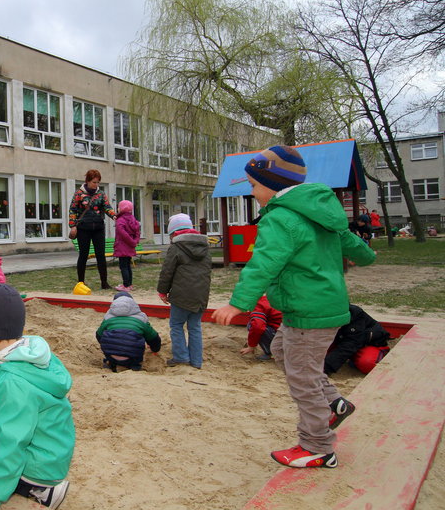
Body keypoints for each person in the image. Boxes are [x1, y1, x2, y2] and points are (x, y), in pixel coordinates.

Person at [211, 145, 376, 469]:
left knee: (301, 377)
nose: (253, 193)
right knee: (284, 349)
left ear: (273, 185)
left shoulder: (281, 218)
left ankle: (318, 447)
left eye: (254, 186)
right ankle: (334, 403)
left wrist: (237, 304)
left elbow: (264, 263)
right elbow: (350, 241)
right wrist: (367, 255)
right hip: (320, 307)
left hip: (308, 310)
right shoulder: (320, 211)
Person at [0, 283, 75, 510]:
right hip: (48, 444)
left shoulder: (13, 382)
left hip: (39, 459)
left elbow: (12, 442)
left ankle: (40, 490)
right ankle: (20, 476)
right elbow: (4, 406)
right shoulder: (26, 352)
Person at [157, 213, 211, 369]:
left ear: (174, 232)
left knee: (176, 325)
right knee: (195, 327)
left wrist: (162, 291)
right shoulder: (205, 246)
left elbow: (167, 271)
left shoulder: (176, 247)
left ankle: (181, 357)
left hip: (181, 295)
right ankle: (196, 361)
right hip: (201, 294)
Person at [68, 169, 117, 290]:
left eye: (98, 182)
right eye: (94, 182)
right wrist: (73, 225)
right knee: (83, 255)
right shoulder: (78, 194)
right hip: (83, 229)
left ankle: (104, 283)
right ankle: (81, 283)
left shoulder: (100, 194)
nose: (96, 185)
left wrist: (114, 215)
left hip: (98, 228)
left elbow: (107, 207)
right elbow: (72, 210)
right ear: (88, 181)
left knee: (101, 255)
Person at [95, 291, 162, 372]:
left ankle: (111, 363)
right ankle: (135, 366)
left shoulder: (108, 318)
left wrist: (109, 344)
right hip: (132, 356)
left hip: (111, 354)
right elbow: (154, 338)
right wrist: (155, 349)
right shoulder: (141, 318)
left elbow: (98, 335)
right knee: (136, 351)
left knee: (111, 346)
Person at [324, 304, 390, 375]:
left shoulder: (354, 313)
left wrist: (325, 368)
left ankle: (380, 353)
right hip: (340, 340)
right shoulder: (318, 310)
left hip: (367, 343)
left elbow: (351, 344)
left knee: (367, 363)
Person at [241, 295, 283, 361]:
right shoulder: (270, 298)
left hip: (283, 335)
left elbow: (257, 327)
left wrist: (251, 346)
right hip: (296, 333)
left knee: (252, 325)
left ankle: (269, 352)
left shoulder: (259, 305)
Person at [113, 199, 141, 292]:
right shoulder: (133, 219)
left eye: (118, 207)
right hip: (129, 247)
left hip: (122, 246)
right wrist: (135, 241)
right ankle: (129, 284)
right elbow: (137, 231)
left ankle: (126, 285)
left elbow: (123, 234)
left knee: (123, 266)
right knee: (128, 266)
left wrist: (132, 242)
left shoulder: (120, 220)